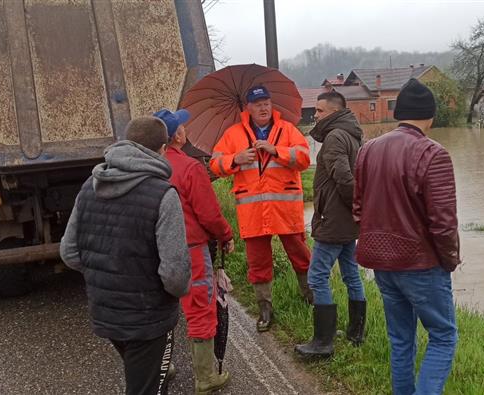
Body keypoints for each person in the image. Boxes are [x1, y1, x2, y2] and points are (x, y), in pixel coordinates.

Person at [60, 116, 190, 395]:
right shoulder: (163, 194)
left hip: (106, 310)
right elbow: (175, 276)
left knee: (151, 379)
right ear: (163, 149)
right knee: (147, 386)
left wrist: (105, 275)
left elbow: (69, 252)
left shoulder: (89, 187)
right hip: (150, 318)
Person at [353, 78, 461, 395]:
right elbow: (443, 223)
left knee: (401, 338)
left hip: (382, 264)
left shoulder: (368, 150)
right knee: (443, 336)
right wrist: (450, 261)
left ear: (399, 113)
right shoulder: (434, 154)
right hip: (422, 264)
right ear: (431, 116)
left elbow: (358, 209)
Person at [209, 85, 312, 332]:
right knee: (258, 262)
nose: (263, 107)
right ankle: (265, 309)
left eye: (266, 102)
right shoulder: (233, 134)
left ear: (271, 105)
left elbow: (305, 159)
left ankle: (312, 299)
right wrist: (236, 159)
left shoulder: (287, 130)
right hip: (253, 212)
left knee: (301, 256)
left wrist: (276, 150)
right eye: (258, 104)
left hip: (285, 210)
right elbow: (214, 164)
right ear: (249, 108)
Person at [157, 108, 233, 395]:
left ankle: (162, 365)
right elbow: (209, 215)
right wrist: (226, 235)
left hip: (156, 250)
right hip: (190, 250)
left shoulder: (151, 167)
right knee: (200, 308)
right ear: (177, 134)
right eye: (182, 127)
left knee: (161, 308)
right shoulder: (190, 167)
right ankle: (205, 378)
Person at [295, 91, 365, 359]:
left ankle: (323, 342)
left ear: (334, 112)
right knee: (350, 274)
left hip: (333, 220)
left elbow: (345, 180)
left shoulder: (335, 136)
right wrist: (356, 211)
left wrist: (351, 207)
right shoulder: (353, 133)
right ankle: (355, 332)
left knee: (317, 276)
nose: (316, 116)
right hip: (345, 220)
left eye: (320, 111)